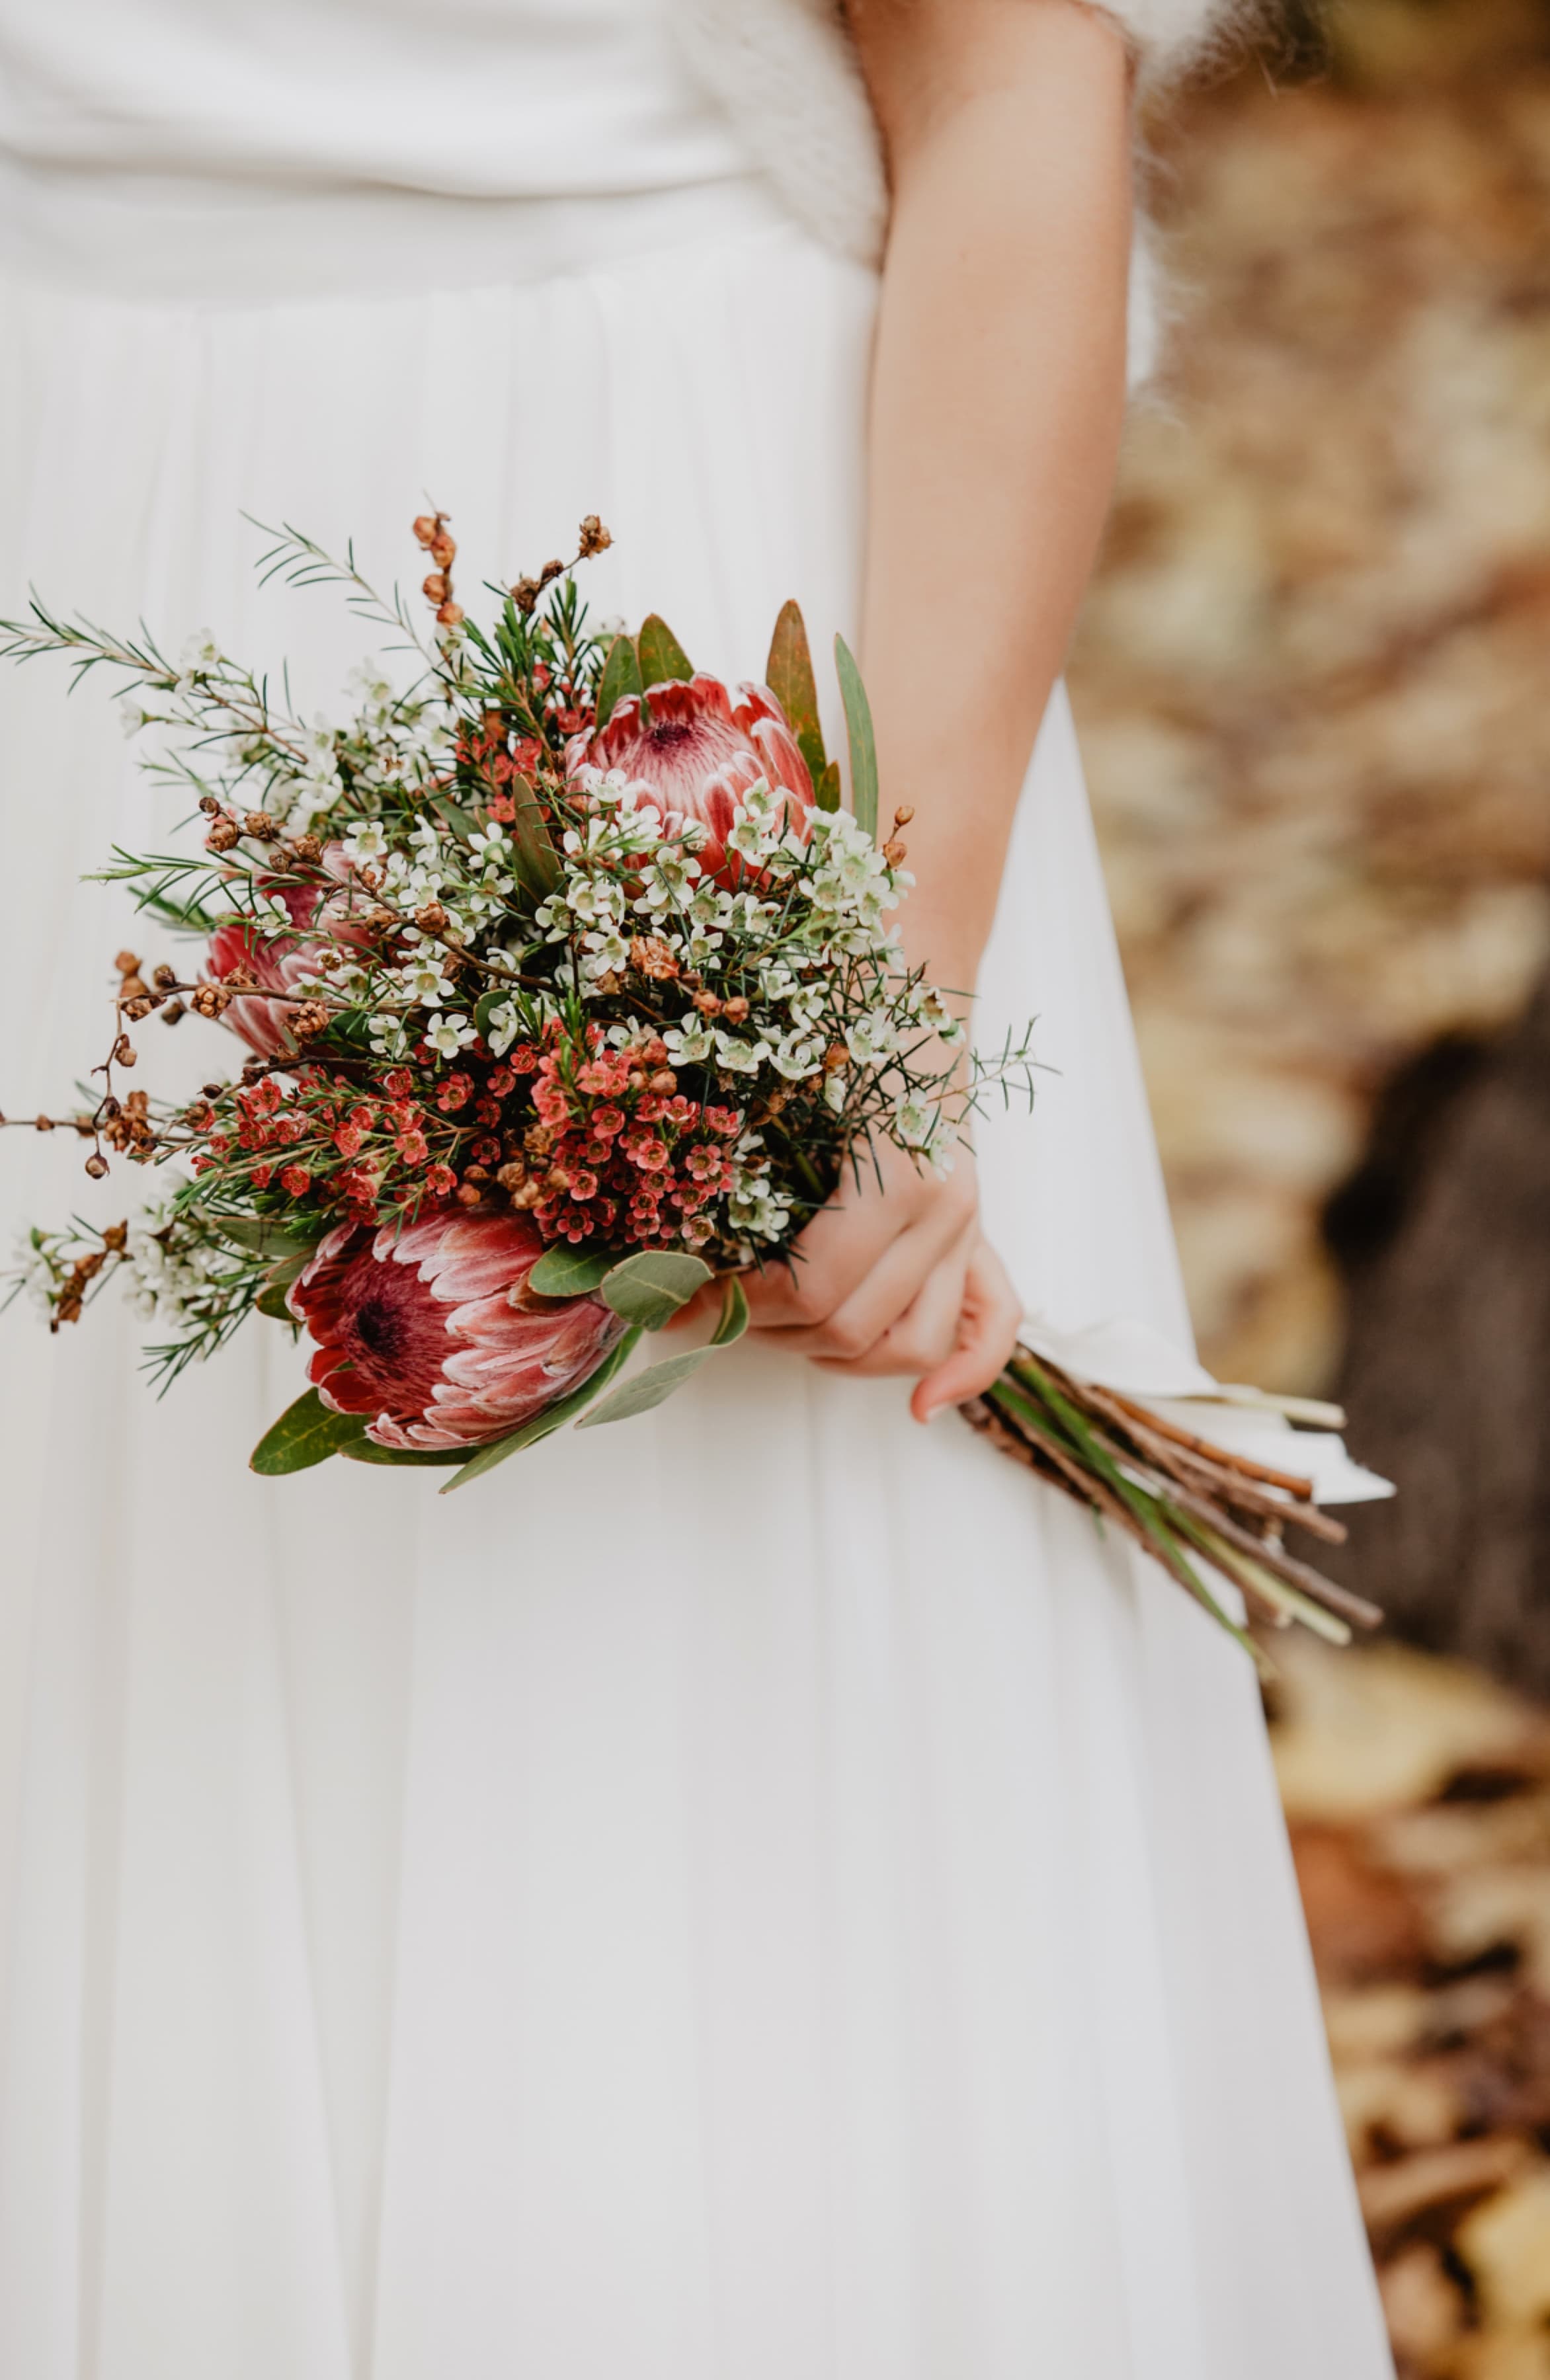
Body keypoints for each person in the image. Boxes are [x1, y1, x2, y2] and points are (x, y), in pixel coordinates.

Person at [0, 2, 1395, 2373]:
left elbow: (1004, 81)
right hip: (56, 548)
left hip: (644, 570)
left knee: (676, 1803)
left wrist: (866, 1001)